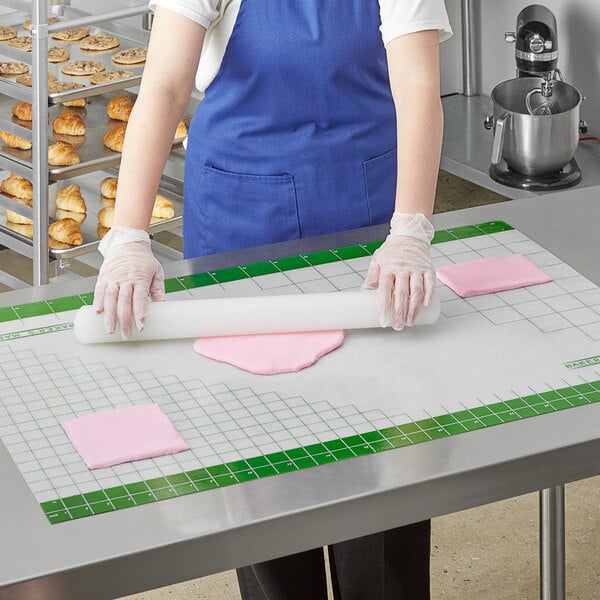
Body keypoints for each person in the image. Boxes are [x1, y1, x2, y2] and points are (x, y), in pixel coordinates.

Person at [93, 1, 452, 598]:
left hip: (363, 224)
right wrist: (128, 235)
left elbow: (417, 83)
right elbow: (164, 84)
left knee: (386, 454)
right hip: (239, 221)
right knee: (259, 463)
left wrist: (411, 228)